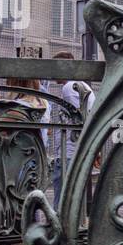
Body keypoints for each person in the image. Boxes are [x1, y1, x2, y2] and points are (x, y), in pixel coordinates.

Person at [0, 78, 50, 245]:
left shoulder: (27, 106)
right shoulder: (40, 102)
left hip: (10, 173)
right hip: (26, 172)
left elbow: (6, 125)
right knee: (14, 224)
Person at [48, 52, 94, 207]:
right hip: (76, 151)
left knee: (60, 200)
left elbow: (78, 118)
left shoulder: (70, 87)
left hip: (68, 152)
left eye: (55, 67)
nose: (52, 72)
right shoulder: (82, 85)